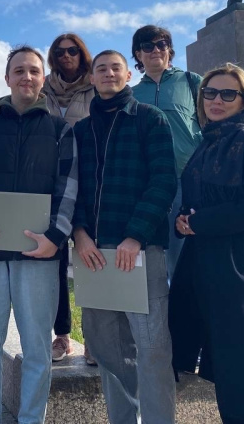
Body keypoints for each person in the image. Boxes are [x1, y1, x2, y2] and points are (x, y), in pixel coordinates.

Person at [0, 46, 78, 424]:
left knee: (38, 350)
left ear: (43, 79)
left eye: (33, 71)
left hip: (38, 254)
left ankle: (30, 420)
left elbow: (69, 187)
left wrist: (55, 238)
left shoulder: (61, 130)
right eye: (19, 71)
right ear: (6, 78)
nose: (26, 77)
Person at [169, 63, 244, 424]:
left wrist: (199, 222)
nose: (217, 100)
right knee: (225, 372)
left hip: (238, 272)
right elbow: (198, 201)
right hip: (205, 269)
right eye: (210, 93)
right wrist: (183, 220)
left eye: (227, 93)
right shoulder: (207, 143)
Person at [73, 51, 177, 423]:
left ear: (128, 74)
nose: (108, 73)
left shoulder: (151, 119)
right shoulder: (80, 131)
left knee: (151, 350)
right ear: (92, 78)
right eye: (101, 68)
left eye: (115, 67)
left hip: (140, 253)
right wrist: (80, 235)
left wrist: (134, 236)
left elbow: (164, 180)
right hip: (94, 255)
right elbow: (74, 189)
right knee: (110, 353)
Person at [131, 25, 202, 280]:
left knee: (186, 251)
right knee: (157, 253)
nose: (155, 51)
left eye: (161, 44)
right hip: (150, 182)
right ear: (138, 55)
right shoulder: (132, 95)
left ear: (169, 50)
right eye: (147, 47)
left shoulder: (192, 82)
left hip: (188, 179)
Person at [43, 33, 96, 364]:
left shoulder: (96, 87)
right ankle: (62, 336)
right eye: (59, 52)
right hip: (50, 187)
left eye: (72, 50)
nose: (66, 56)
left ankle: (95, 337)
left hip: (89, 182)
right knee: (55, 265)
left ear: (82, 54)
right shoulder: (42, 90)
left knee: (91, 261)